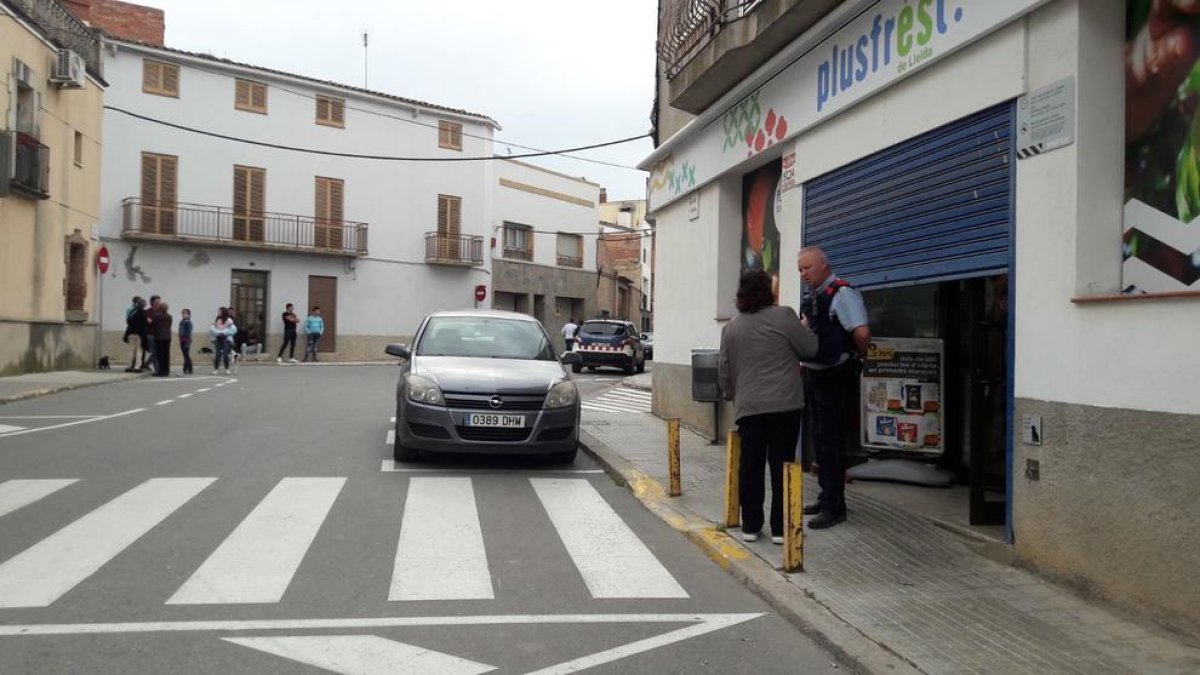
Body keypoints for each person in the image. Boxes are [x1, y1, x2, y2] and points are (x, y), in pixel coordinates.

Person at [719, 270, 817, 544]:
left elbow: (724, 369)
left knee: (750, 465)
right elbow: (810, 349)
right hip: (785, 405)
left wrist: (732, 395)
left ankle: (751, 526)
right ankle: (780, 529)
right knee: (782, 463)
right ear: (767, 291)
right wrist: (806, 327)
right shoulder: (785, 316)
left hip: (749, 406)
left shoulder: (731, 327)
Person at [797, 246, 870, 530]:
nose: (803, 274)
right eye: (800, 270)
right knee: (820, 439)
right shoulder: (815, 297)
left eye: (807, 268)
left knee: (831, 441)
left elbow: (862, 333)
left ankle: (835, 506)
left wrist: (856, 354)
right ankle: (826, 495)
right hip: (815, 376)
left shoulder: (843, 293)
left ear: (823, 266)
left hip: (835, 377)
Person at [123, 296, 149, 372]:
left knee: (130, 350)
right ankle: (137, 367)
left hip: (131, 332)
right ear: (143, 305)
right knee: (139, 350)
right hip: (140, 334)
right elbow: (145, 324)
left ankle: (129, 366)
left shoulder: (132, 311)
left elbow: (128, 321)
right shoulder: (143, 313)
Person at [210, 307, 236, 375]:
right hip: (218, 339)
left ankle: (227, 369)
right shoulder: (217, 320)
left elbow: (233, 330)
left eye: (220, 311)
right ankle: (216, 369)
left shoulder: (229, 321)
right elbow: (212, 329)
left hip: (226, 339)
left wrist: (224, 332)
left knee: (225, 355)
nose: (218, 312)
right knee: (218, 354)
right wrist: (218, 333)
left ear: (223, 312)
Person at [151, 301, 173, 377]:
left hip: (159, 337)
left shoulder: (156, 315)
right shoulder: (169, 316)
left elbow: (153, 325)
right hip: (167, 337)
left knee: (160, 355)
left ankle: (161, 371)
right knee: (166, 355)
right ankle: (166, 371)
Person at [144, 295, 161, 373]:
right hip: (150, 334)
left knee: (157, 351)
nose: (159, 303)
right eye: (157, 302)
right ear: (152, 302)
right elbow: (148, 322)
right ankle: (156, 369)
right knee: (154, 351)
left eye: (159, 301)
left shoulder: (160, 311)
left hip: (159, 334)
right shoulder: (147, 312)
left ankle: (147, 363)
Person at [178, 308, 194, 375]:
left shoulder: (189, 322)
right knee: (185, 355)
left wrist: (188, 341)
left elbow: (189, 332)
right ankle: (187, 369)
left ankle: (188, 369)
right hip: (182, 340)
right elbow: (180, 331)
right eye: (183, 313)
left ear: (189, 314)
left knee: (186, 355)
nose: (184, 314)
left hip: (186, 340)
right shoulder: (181, 322)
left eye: (185, 313)